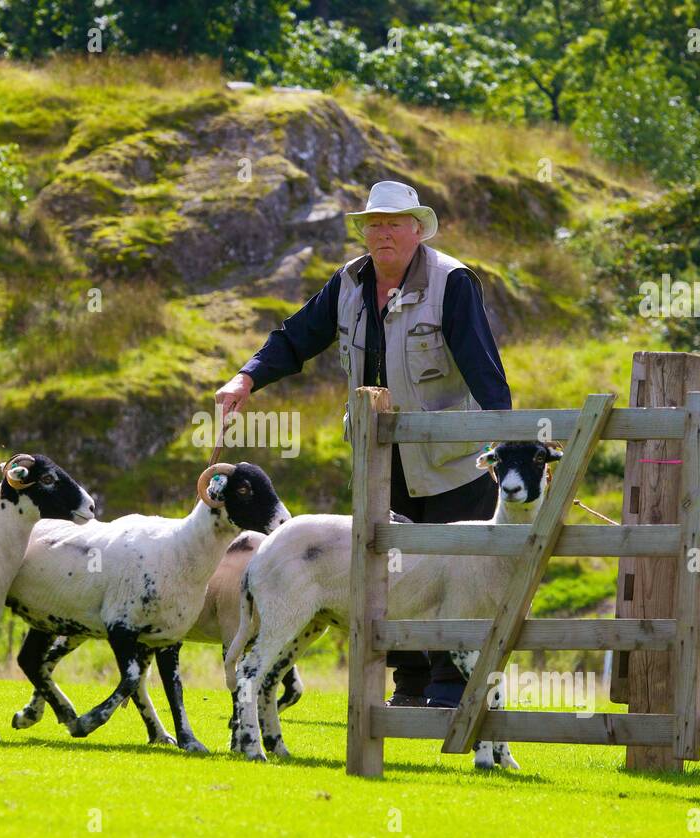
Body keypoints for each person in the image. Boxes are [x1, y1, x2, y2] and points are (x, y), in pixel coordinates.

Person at [214, 180, 512, 708]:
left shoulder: (453, 282)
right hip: (380, 464)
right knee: (389, 572)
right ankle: (409, 688)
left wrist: (505, 441)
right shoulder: (348, 282)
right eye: (374, 224)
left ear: (417, 230)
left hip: (451, 461)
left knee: (455, 573)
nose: (383, 233)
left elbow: (485, 370)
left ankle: (449, 691)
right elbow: (295, 337)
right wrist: (246, 378)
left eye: (394, 223)